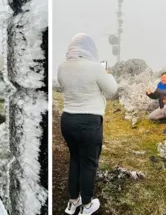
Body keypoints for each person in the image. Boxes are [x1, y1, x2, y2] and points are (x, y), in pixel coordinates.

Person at [58, 33, 118, 215]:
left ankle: (72, 202)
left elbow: (65, 88)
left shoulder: (62, 67)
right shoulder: (95, 68)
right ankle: (86, 204)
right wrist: (106, 72)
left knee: (75, 158)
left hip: (67, 119)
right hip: (89, 121)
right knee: (89, 163)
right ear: (90, 48)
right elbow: (112, 90)